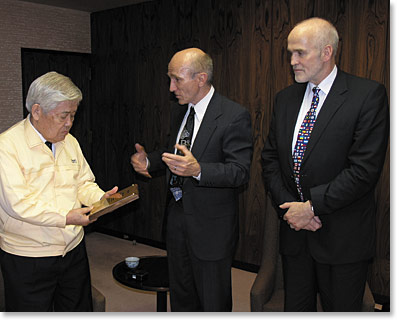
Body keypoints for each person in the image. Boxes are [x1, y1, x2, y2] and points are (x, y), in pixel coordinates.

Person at [261, 17, 389, 311]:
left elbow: (363, 171)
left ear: (327, 52)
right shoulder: (285, 99)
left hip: (342, 237)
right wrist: (290, 209)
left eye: (299, 53)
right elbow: (269, 159)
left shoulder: (367, 96)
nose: (292, 61)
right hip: (295, 234)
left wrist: (311, 207)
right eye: (289, 53)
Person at [130, 48, 253, 311]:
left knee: (212, 301)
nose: (171, 87)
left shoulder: (233, 115)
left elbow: (240, 171)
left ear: (201, 78)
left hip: (211, 227)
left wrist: (199, 170)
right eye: (169, 79)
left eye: (177, 79)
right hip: (176, 218)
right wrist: (149, 161)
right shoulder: (180, 111)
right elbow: (174, 152)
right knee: (182, 296)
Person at [0, 71, 118, 312]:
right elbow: (18, 204)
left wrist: (100, 198)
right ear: (36, 111)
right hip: (28, 255)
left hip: (73, 250)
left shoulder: (70, 142)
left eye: (73, 115)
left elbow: (84, 182)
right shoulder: (7, 147)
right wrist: (66, 217)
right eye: (63, 116)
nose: (69, 124)